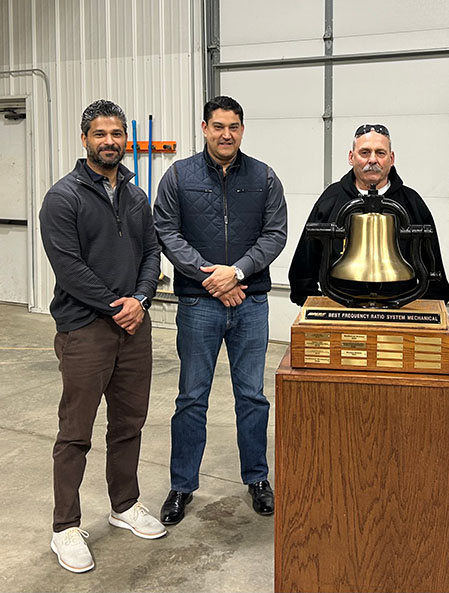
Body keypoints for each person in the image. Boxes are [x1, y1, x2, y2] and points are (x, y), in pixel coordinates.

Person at [39, 100, 165, 574]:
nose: (110, 141)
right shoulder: (63, 197)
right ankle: (65, 527)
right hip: (85, 329)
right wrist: (120, 306)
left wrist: (142, 300)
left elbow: (152, 251)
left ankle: (124, 504)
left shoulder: (135, 196)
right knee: (75, 432)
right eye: (100, 134)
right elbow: (69, 269)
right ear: (84, 138)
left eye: (117, 133)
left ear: (125, 138)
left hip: (135, 327)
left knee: (129, 423)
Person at [153, 96, 287, 524]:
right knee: (192, 397)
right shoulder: (179, 175)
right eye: (218, 126)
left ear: (242, 130)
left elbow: (275, 234)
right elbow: (166, 231)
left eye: (233, 127)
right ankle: (181, 486)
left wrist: (238, 272)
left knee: (252, 396)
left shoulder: (264, 177)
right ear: (205, 128)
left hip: (250, 301)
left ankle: (258, 479)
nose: (226, 134)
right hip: (198, 303)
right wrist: (209, 276)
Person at [289, 124, 449, 305]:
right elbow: (307, 257)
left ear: (391, 158)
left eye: (380, 153)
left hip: (402, 303)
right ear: (351, 157)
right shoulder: (331, 200)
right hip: (340, 300)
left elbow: (431, 259)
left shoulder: (412, 202)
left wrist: (431, 306)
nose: (372, 160)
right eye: (365, 153)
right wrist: (308, 298)